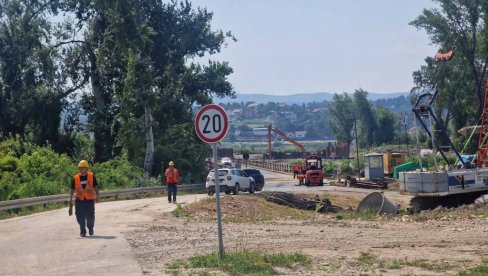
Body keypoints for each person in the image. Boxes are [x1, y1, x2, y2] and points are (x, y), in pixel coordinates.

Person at [68, 160, 100, 237]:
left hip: (89, 200)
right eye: (80, 168)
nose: (81, 169)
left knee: (90, 216)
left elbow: (96, 187)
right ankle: (83, 231)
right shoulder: (75, 178)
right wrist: (70, 198)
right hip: (79, 200)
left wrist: (97, 196)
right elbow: (72, 189)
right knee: (79, 215)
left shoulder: (91, 176)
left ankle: (90, 228)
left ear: (86, 168)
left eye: (83, 168)